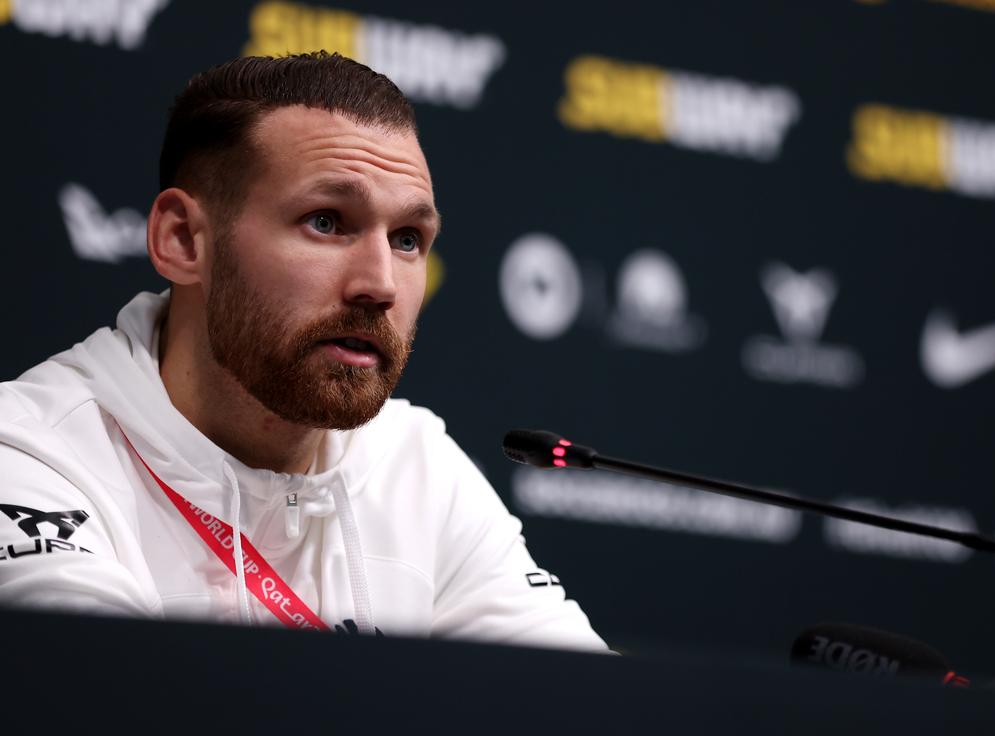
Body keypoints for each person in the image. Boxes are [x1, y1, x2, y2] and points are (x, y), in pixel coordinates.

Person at [0, 52, 607, 651]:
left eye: (406, 239)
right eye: (326, 221)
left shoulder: (416, 464)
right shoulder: (28, 455)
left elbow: (584, 705)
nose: (381, 284)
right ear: (184, 240)